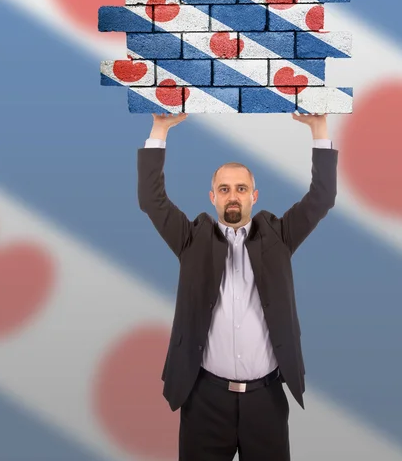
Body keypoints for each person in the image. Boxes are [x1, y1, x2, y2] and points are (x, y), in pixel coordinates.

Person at [138, 111, 338, 461]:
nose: (233, 196)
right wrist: (160, 127)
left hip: (267, 400)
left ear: (254, 196)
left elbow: (321, 198)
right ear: (212, 196)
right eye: (225, 189)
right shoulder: (191, 239)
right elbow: (151, 201)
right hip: (204, 399)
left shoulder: (279, 235)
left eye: (241, 189)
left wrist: (318, 128)